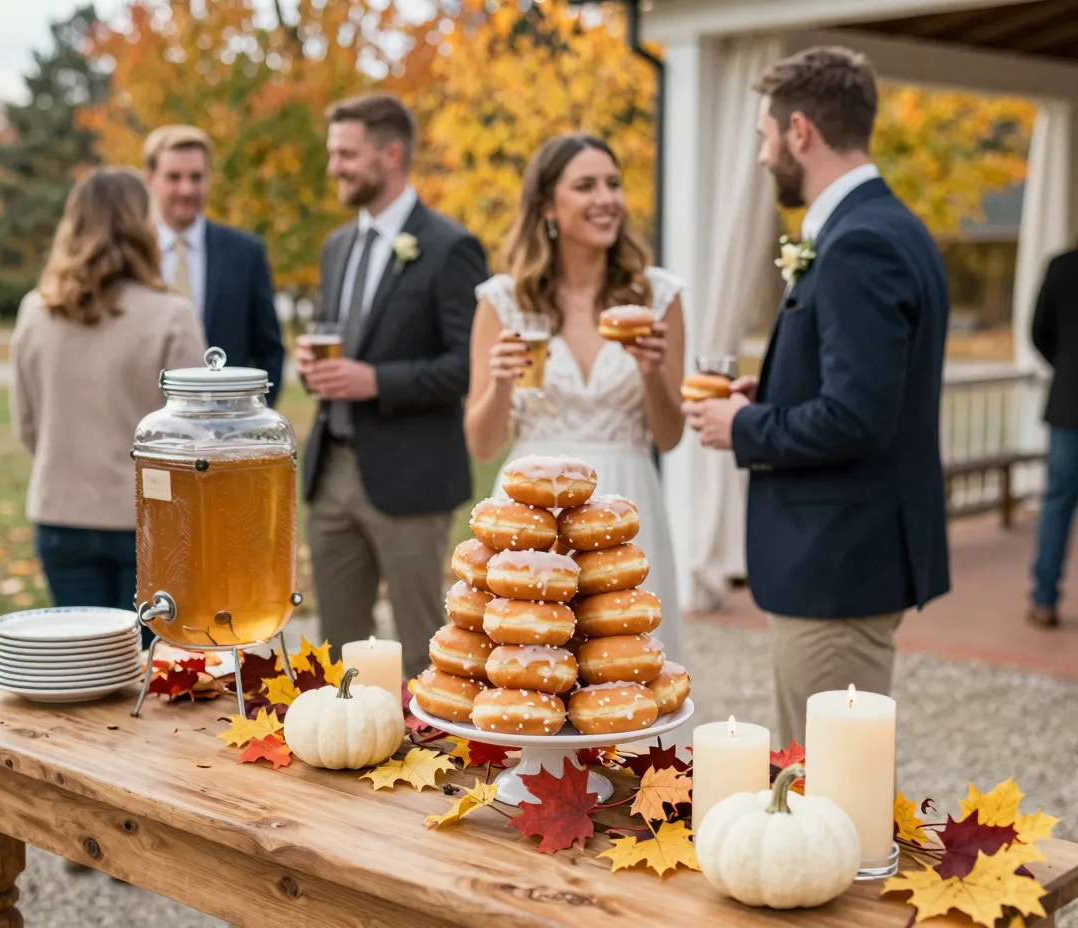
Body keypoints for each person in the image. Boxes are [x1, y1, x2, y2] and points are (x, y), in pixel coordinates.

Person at [684, 46, 950, 747]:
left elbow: (856, 418)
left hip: (838, 565)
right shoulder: (889, 225)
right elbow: (860, 384)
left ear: (800, 130)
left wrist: (745, 424)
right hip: (848, 554)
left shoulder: (861, 242)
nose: (764, 156)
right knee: (824, 773)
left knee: (832, 786)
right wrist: (768, 391)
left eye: (765, 138)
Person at [465, 132, 690, 684]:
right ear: (548, 207)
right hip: (534, 512)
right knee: (530, 668)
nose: (605, 198)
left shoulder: (658, 297)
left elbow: (669, 435)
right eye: (585, 186)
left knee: (627, 674)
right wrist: (498, 384)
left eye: (613, 184)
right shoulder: (504, 300)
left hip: (628, 505)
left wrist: (652, 372)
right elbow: (482, 443)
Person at [296, 92, 488, 677]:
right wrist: (313, 364)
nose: (334, 168)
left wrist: (374, 380)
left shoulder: (450, 247)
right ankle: (342, 753)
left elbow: (466, 365)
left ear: (391, 153)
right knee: (338, 650)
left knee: (425, 649)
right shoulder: (337, 246)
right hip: (331, 474)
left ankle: (436, 762)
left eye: (346, 154)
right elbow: (341, 338)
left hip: (411, 481)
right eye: (334, 154)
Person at [10, 167, 206, 637]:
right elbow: (199, 433)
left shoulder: (35, 311)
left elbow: (27, 425)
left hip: (61, 512)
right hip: (150, 519)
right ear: (143, 224)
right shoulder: (171, 314)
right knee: (148, 673)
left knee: (83, 667)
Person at [143, 125, 285, 404]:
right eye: (174, 177)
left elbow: (270, 351)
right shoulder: (130, 254)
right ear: (150, 179)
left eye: (196, 177)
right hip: (146, 432)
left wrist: (251, 423)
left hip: (227, 431)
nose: (187, 189)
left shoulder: (246, 254)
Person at [1028, 244, 1078, 629]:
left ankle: (1044, 599)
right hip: (1067, 405)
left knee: (1057, 505)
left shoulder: (1061, 266)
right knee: (1057, 504)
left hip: (1068, 404)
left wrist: (1065, 370)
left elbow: (1039, 332)